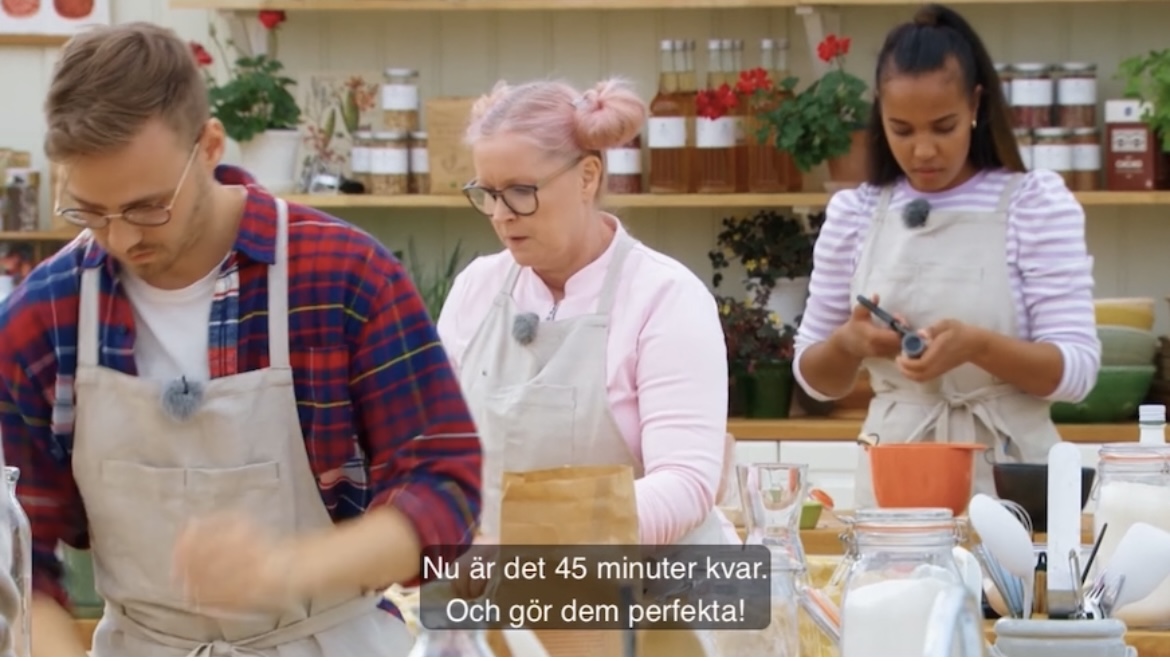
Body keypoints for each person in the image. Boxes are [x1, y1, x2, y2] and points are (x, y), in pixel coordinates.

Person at [0, 22, 482, 656]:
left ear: (208, 145)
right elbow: (23, 563)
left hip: (330, 642)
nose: (120, 237)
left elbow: (445, 491)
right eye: (90, 212)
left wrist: (290, 568)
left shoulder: (343, 277)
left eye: (148, 207)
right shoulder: (43, 317)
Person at [794, 3, 1101, 509]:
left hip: (1014, 477)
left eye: (943, 127)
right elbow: (814, 379)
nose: (923, 151)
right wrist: (848, 344)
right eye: (902, 129)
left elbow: (1076, 372)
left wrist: (978, 346)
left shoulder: (1034, 203)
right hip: (895, 477)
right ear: (880, 114)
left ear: (976, 105)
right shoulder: (855, 213)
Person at [435, 77, 738, 563]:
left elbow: (685, 484)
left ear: (587, 177)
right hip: (511, 585)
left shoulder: (665, 297)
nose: (500, 215)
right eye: (487, 193)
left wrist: (539, 540)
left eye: (520, 191)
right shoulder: (477, 290)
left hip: (656, 589)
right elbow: (438, 451)